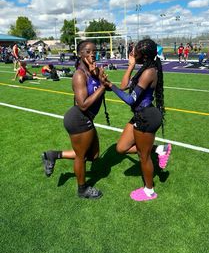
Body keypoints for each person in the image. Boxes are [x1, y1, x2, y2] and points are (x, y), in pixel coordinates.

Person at [102, 39, 171, 202]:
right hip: (140, 116)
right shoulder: (143, 69)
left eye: (135, 52)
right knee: (121, 148)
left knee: (143, 156)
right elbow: (124, 85)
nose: (133, 54)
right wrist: (131, 65)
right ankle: (160, 149)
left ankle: (149, 191)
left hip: (147, 118)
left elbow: (131, 100)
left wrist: (110, 85)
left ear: (144, 55)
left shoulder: (149, 72)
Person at [41, 40, 110, 200]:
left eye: (94, 51)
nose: (92, 54)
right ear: (80, 54)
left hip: (87, 119)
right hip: (78, 118)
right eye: (87, 51)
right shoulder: (79, 75)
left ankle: (52, 155)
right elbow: (84, 105)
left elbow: (105, 86)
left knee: (95, 155)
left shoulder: (95, 71)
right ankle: (82, 189)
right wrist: (102, 87)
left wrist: (102, 80)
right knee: (81, 156)